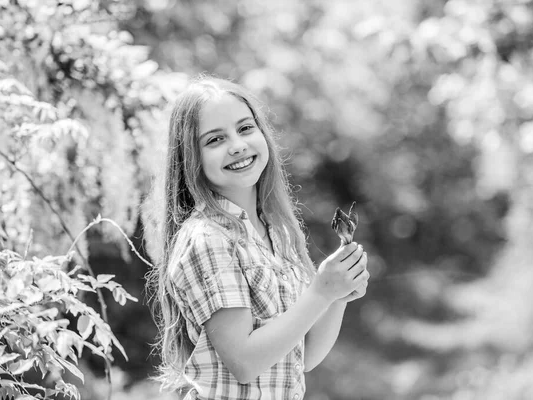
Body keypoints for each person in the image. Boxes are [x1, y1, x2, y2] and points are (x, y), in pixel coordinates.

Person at [143, 76, 369, 400]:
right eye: (215, 139)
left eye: (245, 128)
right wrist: (320, 292)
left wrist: (336, 296)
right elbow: (245, 362)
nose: (237, 145)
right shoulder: (209, 239)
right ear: (191, 157)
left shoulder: (276, 232)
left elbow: (304, 355)